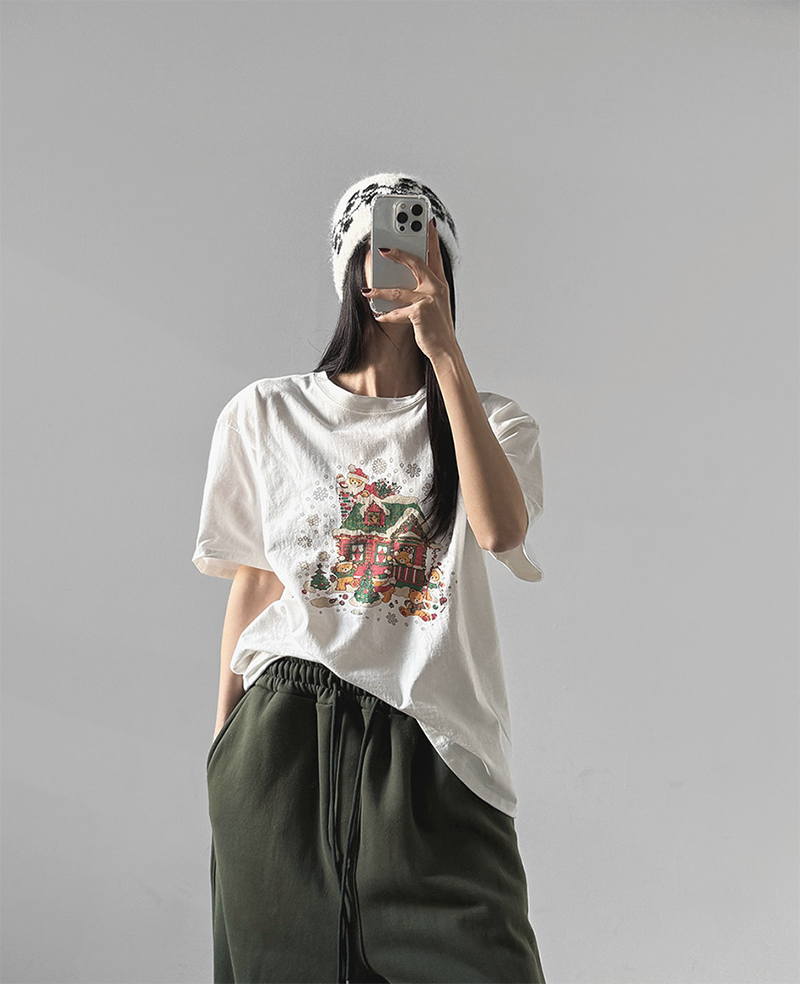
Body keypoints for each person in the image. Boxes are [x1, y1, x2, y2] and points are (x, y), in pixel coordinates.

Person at [192, 172, 549, 984]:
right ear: (350, 271)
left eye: (425, 250)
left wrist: (444, 351)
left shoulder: (496, 421)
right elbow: (255, 586)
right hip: (280, 746)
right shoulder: (266, 414)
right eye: (379, 248)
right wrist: (223, 759)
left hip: (433, 754)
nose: (403, 265)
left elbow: (500, 529)